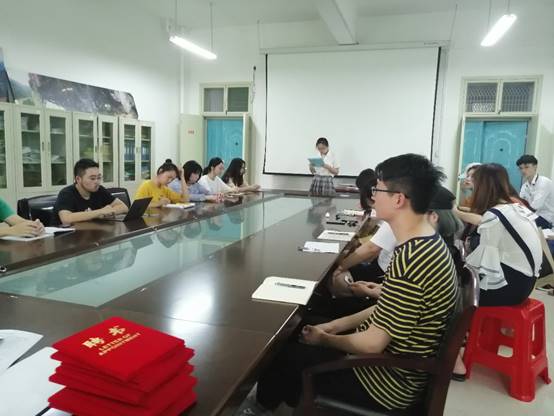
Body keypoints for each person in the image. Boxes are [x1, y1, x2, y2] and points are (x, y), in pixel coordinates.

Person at [239, 154, 458, 415]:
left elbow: (372, 344)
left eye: (378, 190)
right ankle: (269, 399)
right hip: (392, 365)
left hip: (383, 382)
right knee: (304, 325)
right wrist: (334, 326)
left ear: (398, 199)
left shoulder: (412, 258)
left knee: (285, 353)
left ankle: (258, 408)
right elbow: (387, 310)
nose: (373, 196)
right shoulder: (426, 243)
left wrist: (326, 339)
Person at [465, 163, 542, 307]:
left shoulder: (494, 214)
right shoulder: (515, 207)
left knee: (458, 293)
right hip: (527, 282)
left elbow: (484, 260)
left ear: (481, 186)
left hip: (510, 288)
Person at [54, 159, 128, 224]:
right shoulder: (66, 193)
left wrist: (108, 212)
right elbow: (66, 219)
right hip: (68, 234)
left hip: (92, 231)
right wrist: (100, 212)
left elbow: (124, 207)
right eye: (92, 178)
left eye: (99, 177)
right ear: (78, 179)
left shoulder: (99, 190)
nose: (97, 182)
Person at [517, 154, 554, 228]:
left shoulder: (544, 182)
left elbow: (534, 207)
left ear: (535, 167)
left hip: (546, 219)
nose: (523, 170)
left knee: (519, 224)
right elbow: (520, 204)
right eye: (520, 168)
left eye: (526, 167)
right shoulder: (525, 186)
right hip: (533, 216)